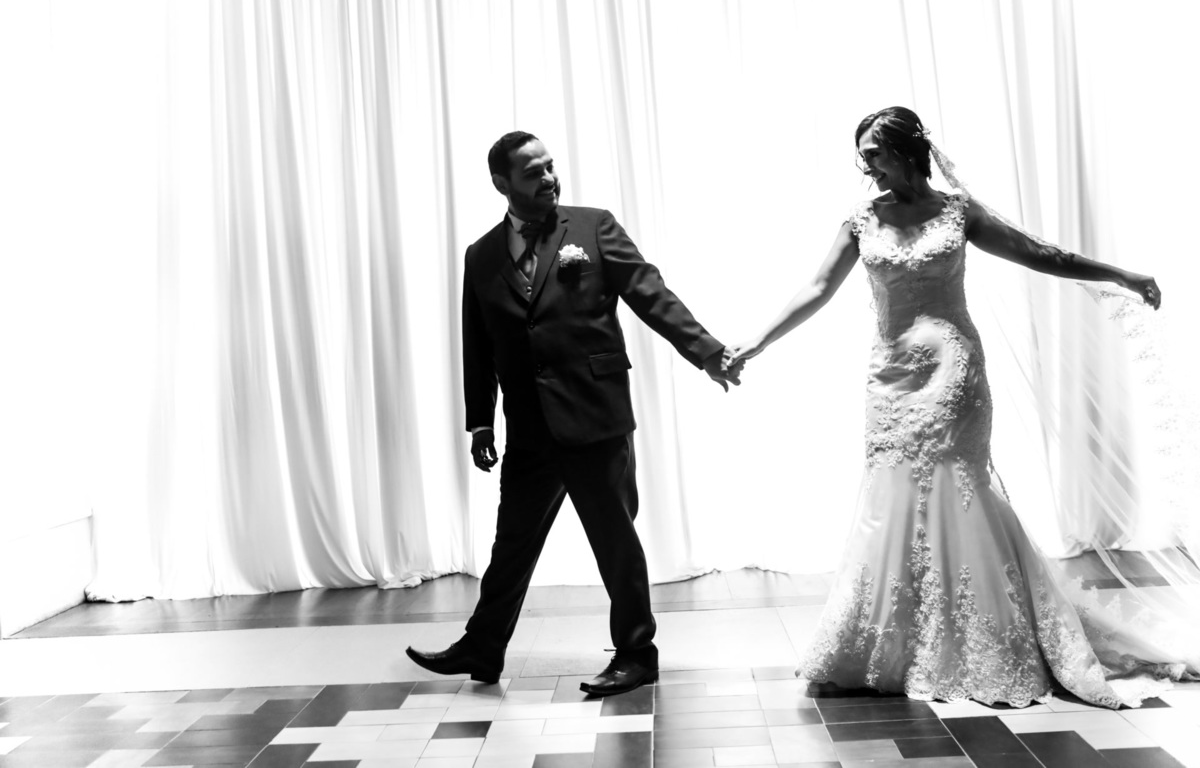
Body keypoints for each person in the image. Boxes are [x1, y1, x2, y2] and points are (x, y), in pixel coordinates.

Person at [726, 106, 1192, 708]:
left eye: (875, 154)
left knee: (959, 489)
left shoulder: (957, 212)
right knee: (890, 497)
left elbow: (1039, 253)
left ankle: (982, 638)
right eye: (863, 156)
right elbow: (817, 287)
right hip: (891, 377)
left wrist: (1120, 275)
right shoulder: (861, 220)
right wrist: (758, 342)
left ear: (906, 151)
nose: (867, 167)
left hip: (955, 371)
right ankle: (890, 640)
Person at [406, 130, 737, 696]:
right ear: (501, 183)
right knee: (511, 546)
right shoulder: (481, 255)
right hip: (529, 428)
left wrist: (705, 350)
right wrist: (481, 420)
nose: (549, 178)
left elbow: (649, 292)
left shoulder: (593, 227)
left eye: (550, 166)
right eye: (532, 172)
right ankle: (483, 647)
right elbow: (477, 342)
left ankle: (637, 653)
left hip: (594, 416)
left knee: (615, 542)